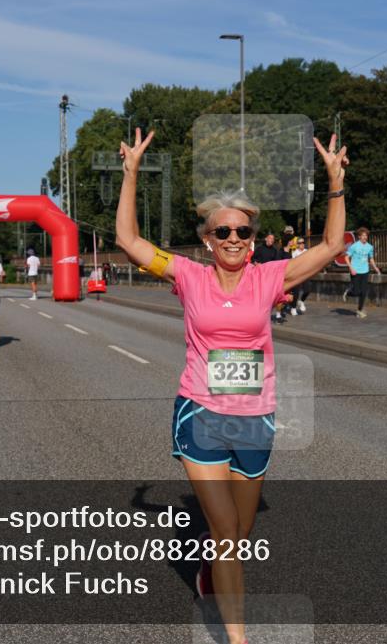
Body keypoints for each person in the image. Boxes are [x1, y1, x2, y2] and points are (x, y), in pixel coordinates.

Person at [115, 128, 348, 644]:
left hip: (255, 419)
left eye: (242, 230)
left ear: (252, 238)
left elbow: (333, 245)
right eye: (223, 231)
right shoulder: (187, 276)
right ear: (208, 238)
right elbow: (129, 242)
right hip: (200, 413)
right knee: (224, 533)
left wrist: (335, 183)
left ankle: (208, 575)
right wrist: (130, 175)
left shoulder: (270, 278)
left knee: (237, 536)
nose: (234, 238)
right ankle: (237, 639)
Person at [342, 227, 381, 319]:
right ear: (359, 236)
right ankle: (348, 292)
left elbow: (371, 259)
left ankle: (359, 310)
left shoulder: (369, 247)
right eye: (363, 235)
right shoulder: (354, 246)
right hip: (355, 271)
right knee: (356, 292)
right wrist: (351, 268)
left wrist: (375, 268)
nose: (365, 237)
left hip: (365, 271)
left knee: (363, 292)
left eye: (366, 235)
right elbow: (346, 258)